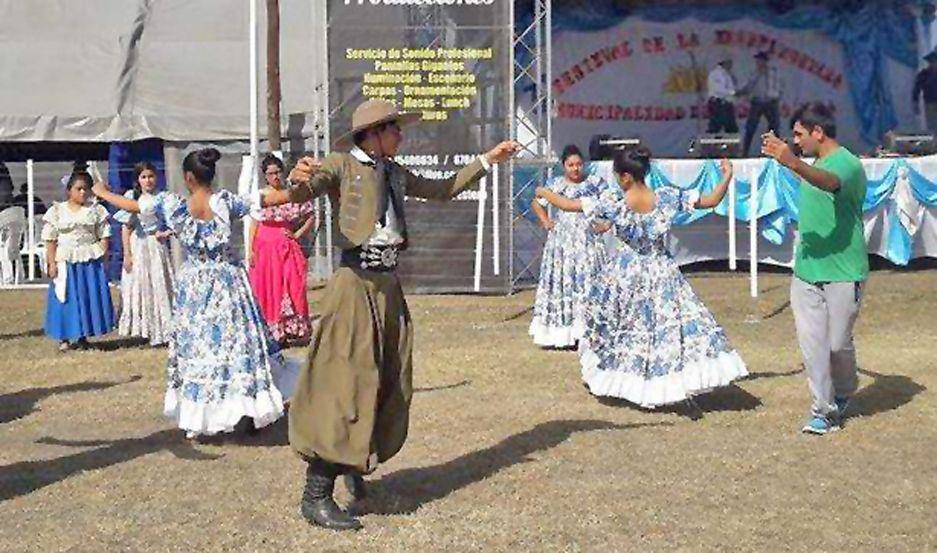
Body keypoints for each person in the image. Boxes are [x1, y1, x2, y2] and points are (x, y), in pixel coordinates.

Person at [262, 98, 519, 531]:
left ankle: (356, 463)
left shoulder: (394, 172)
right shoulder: (341, 164)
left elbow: (443, 188)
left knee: (384, 377)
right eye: (395, 129)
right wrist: (296, 174)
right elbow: (309, 185)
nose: (401, 135)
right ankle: (316, 493)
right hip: (354, 284)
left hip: (386, 286)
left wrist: (487, 160)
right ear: (375, 133)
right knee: (342, 383)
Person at [91, 148, 299, 440]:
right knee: (237, 346)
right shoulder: (225, 202)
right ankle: (248, 410)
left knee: (200, 349)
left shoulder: (172, 205)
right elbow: (268, 198)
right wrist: (306, 189)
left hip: (196, 287)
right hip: (229, 282)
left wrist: (101, 191)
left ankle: (204, 416)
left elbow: (134, 205)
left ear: (187, 177)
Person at [535, 148, 747, 409]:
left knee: (621, 326)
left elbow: (568, 205)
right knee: (665, 327)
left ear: (624, 177)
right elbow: (712, 200)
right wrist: (727, 176)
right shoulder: (666, 197)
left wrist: (545, 193)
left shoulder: (615, 201)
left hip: (627, 271)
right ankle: (664, 380)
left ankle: (628, 380)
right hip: (662, 269)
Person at [762, 102, 868, 435]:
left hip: (844, 271)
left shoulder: (847, 164)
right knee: (813, 347)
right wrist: (784, 159)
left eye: (799, 135)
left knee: (837, 345)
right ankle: (824, 411)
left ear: (818, 132)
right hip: (806, 271)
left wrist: (790, 160)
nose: (795, 142)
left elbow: (828, 183)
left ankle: (843, 390)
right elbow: (810, 174)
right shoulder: (814, 163)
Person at [528, 144, 611, 348]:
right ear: (563, 165)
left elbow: (612, 206)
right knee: (565, 282)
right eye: (571, 165)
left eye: (579, 165)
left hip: (588, 242)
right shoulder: (555, 185)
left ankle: (591, 330)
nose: (575, 169)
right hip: (562, 244)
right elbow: (537, 203)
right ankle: (563, 332)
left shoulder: (595, 183)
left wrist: (606, 224)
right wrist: (546, 221)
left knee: (590, 282)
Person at [42, 171, 115, 351]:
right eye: (78, 189)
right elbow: (50, 239)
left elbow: (104, 234)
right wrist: (52, 262)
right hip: (66, 260)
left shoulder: (95, 210)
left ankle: (83, 334)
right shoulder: (57, 211)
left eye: (86, 189)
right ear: (69, 191)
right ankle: (64, 337)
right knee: (65, 297)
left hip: (89, 260)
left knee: (86, 296)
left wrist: (104, 256)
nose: (83, 193)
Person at [248, 154, 316, 346]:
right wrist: (250, 251)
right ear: (265, 176)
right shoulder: (261, 196)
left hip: (286, 245)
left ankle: (294, 328)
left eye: (278, 172)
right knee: (270, 286)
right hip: (264, 246)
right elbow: (254, 223)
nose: (275, 177)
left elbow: (310, 215)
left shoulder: (292, 193)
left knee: (293, 284)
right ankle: (273, 331)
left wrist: (297, 234)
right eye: (270, 173)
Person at [114, 161, 175, 347]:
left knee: (158, 283)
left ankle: (162, 329)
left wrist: (164, 233)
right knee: (140, 284)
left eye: (150, 176)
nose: (148, 180)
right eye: (143, 177)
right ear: (138, 180)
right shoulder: (132, 198)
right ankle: (142, 329)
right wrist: (127, 254)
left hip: (156, 246)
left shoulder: (163, 197)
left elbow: (169, 223)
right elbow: (127, 228)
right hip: (139, 245)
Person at [742, 51, 782, 156]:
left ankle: (775, 151)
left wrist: (776, 96)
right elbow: (749, 86)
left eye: (760, 60)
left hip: (770, 102)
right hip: (757, 101)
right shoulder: (754, 73)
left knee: (774, 126)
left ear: (765, 61)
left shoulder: (773, 72)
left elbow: (778, 85)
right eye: (757, 61)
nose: (758, 63)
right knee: (751, 127)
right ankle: (745, 152)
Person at [706, 54, 740, 134]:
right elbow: (718, 89)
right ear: (724, 63)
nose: (731, 65)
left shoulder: (728, 74)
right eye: (729, 63)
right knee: (715, 126)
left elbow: (732, 87)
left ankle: (732, 145)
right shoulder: (715, 74)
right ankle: (710, 144)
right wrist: (732, 92)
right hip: (718, 103)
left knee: (732, 128)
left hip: (727, 104)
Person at [912, 49, 937, 133]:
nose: (934, 64)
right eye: (932, 62)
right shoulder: (924, 74)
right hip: (930, 103)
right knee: (932, 125)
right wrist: (915, 103)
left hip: (931, 102)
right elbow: (917, 89)